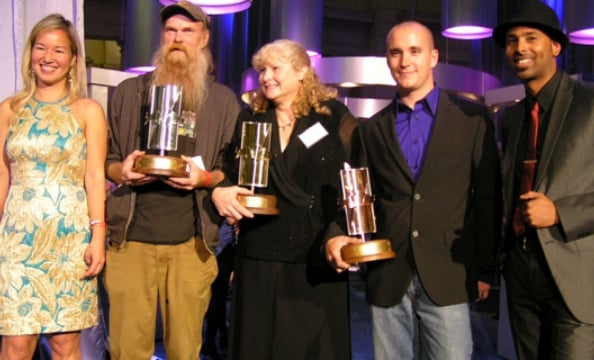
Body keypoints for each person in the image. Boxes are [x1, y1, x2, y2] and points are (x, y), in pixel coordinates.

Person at [325, 21, 501, 359]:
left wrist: (485, 270)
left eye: (415, 51)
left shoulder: (472, 120)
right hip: (389, 274)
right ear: (388, 60)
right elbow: (357, 199)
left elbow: (488, 199)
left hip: (449, 272)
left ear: (433, 57)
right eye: (396, 52)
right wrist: (338, 234)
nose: (405, 61)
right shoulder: (372, 130)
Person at [104, 1, 240, 359]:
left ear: (204, 38)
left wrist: (204, 177)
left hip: (191, 245)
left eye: (188, 31)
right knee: (126, 350)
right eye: (171, 31)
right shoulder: (130, 92)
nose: (178, 39)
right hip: (130, 241)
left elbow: (231, 169)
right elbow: (108, 160)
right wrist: (123, 171)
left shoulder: (223, 101)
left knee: (185, 350)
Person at [211, 39, 357, 359]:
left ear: (302, 71)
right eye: (262, 70)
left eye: (275, 68)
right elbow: (231, 173)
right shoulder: (252, 118)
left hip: (315, 255)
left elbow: (355, 175)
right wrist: (221, 191)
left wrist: (344, 230)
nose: (266, 77)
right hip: (258, 253)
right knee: (257, 346)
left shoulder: (332, 117)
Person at [0, 13, 107, 359]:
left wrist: (98, 234)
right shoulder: (9, 110)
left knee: (64, 345)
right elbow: (2, 175)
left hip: (68, 241)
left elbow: (94, 177)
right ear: (30, 53)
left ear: (74, 58)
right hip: (17, 242)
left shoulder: (88, 110)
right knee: (16, 344)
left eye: (59, 50)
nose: (49, 57)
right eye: (41, 47)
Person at [493, 1, 594, 359]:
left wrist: (562, 212)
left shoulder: (589, 103)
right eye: (511, 40)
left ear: (555, 46)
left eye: (530, 38)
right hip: (520, 272)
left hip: (575, 274)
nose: (519, 47)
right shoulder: (510, 118)